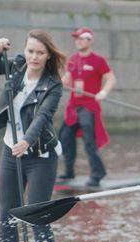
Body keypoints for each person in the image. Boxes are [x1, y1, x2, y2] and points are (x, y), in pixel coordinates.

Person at [0, 30, 66, 242]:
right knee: (6, 214)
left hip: (40, 156)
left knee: (38, 216)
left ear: (48, 56)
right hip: (11, 151)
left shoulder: (53, 85)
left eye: (40, 53)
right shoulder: (17, 66)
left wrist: (28, 141)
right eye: (31, 51)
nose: (34, 57)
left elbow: (43, 117)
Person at [58, 27, 117, 187]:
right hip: (73, 106)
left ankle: (98, 173)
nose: (77, 41)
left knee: (89, 141)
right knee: (64, 137)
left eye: (81, 38)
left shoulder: (98, 60)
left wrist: (103, 92)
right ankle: (69, 171)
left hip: (89, 106)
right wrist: (62, 81)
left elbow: (111, 79)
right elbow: (68, 77)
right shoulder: (73, 59)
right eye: (76, 38)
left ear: (90, 41)